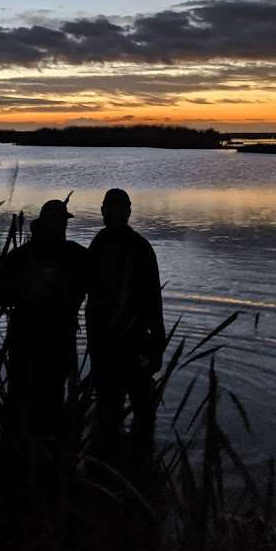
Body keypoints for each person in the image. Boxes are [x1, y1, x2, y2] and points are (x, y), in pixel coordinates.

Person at [0, 198, 87, 441]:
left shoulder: (75, 254)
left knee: (52, 400)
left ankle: (48, 452)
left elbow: (100, 280)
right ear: (43, 223)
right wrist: (28, 289)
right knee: (21, 399)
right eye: (56, 221)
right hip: (25, 341)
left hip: (60, 341)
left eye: (62, 221)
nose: (60, 226)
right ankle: (22, 449)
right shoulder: (21, 256)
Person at [85, 188, 165, 464]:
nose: (115, 213)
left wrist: (156, 346)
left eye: (121, 208)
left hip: (133, 341)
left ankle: (138, 463)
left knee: (142, 409)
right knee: (108, 405)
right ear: (104, 211)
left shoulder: (140, 248)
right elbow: (86, 287)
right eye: (111, 208)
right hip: (103, 341)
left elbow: (154, 298)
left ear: (128, 212)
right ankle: (110, 465)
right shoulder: (99, 243)